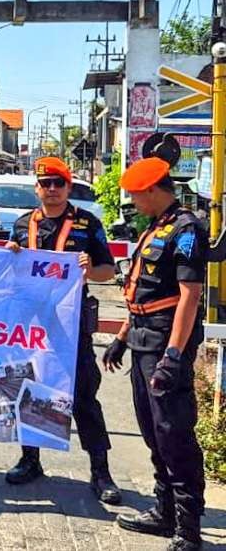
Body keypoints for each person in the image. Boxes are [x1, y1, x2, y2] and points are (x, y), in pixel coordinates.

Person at [3, 157, 120, 503]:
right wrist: (11, 256)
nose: (51, 189)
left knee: (84, 395)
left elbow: (108, 272)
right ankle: (30, 459)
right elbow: (9, 274)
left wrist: (88, 270)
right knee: (28, 385)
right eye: (45, 183)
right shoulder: (23, 225)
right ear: (37, 188)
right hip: (32, 324)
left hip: (72, 324)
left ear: (68, 187)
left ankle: (101, 472)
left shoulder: (88, 224)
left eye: (58, 183)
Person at [106, 156, 207, 551]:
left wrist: (175, 356)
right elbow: (142, 293)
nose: (133, 202)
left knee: (173, 433)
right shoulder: (156, 227)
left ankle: (188, 529)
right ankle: (163, 511)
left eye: (135, 195)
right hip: (142, 338)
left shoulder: (186, 229)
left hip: (166, 342)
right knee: (152, 430)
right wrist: (122, 336)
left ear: (152, 190)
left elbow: (189, 297)